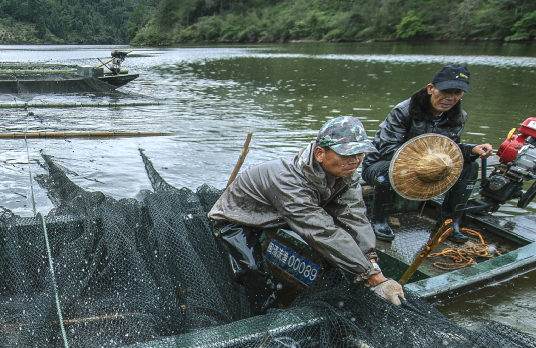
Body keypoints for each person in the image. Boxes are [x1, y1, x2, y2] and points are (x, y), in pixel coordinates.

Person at [208, 116, 407, 309]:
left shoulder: (347, 173)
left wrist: (370, 260)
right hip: (237, 217)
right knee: (252, 271)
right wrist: (371, 276)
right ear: (320, 153)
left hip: (280, 213)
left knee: (340, 248)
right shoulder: (288, 181)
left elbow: (354, 216)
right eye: (347, 154)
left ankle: (341, 294)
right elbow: (322, 232)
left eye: (360, 153)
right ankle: (267, 318)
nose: (356, 161)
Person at [362, 63, 495, 244]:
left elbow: (450, 149)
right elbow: (387, 148)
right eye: (446, 91)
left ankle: (449, 223)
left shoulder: (459, 116)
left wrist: (472, 150)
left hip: (428, 167)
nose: (451, 97)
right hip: (381, 164)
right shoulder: (404, 111)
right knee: (387, 171)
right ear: (431, 88)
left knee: (470, 166)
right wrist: (425, 163)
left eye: (457, 93)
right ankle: (379, 220)